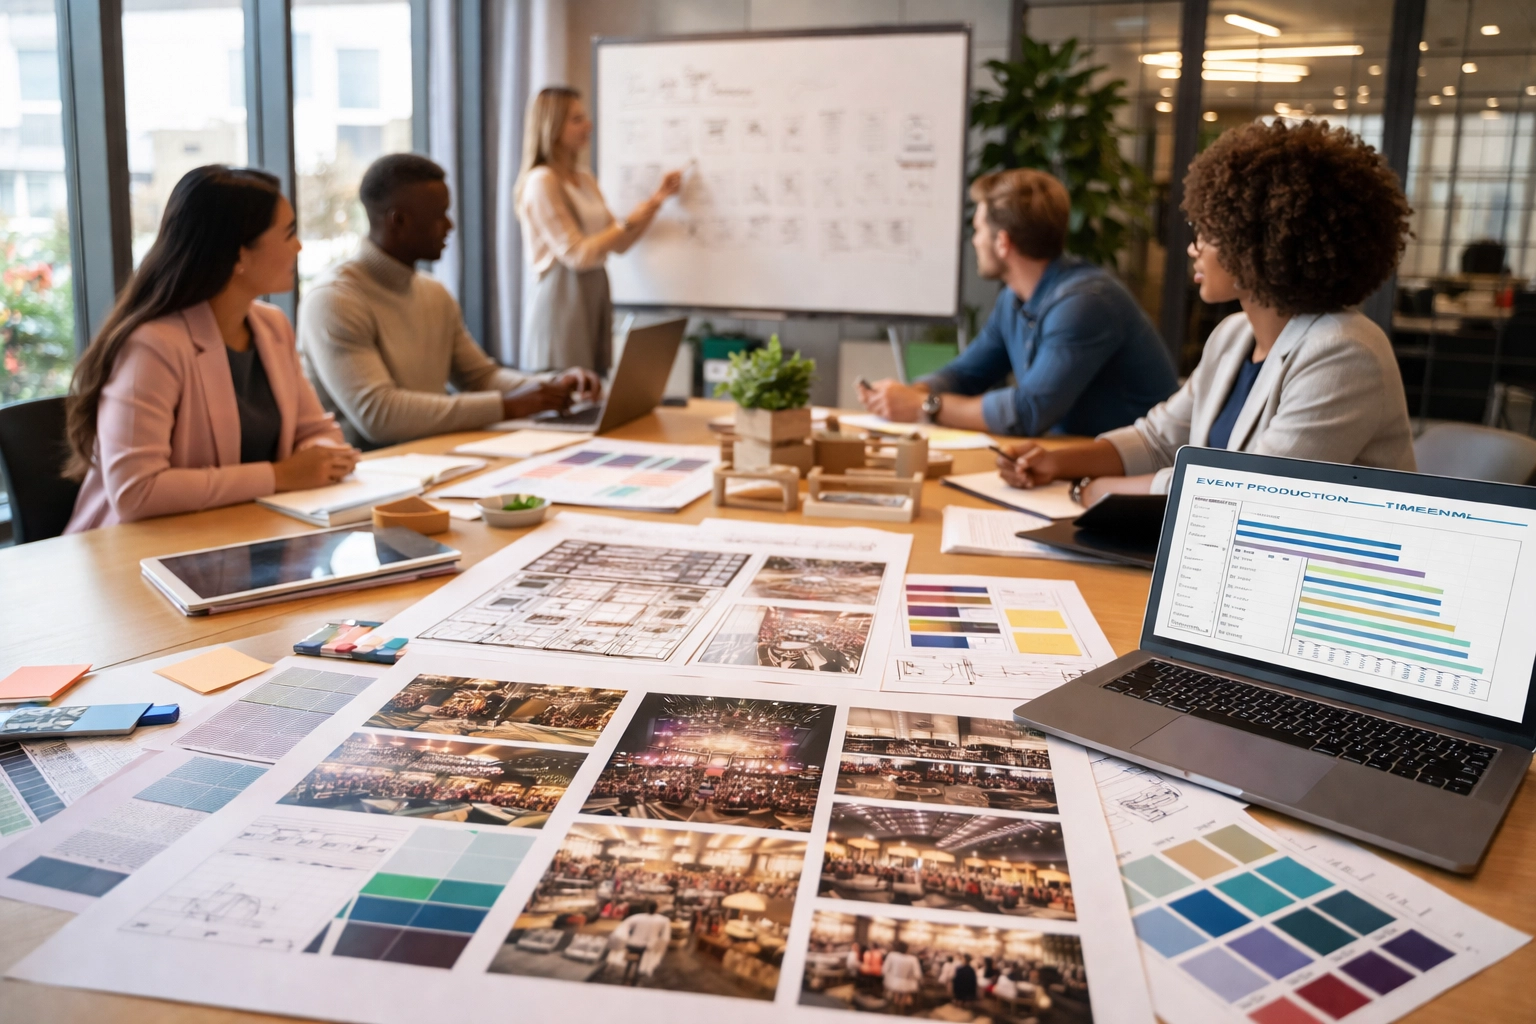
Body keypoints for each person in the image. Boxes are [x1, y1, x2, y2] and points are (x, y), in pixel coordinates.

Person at [995, 119, 1416, 503]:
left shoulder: (1344, 351)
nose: (1193, 248)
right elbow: (1159, 440)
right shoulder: (1234, 335)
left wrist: (1102, 491)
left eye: (1209, 233)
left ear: (1260, 243)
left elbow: (1250, 491)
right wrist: (1055, 462)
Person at [64, 166, 357, 532]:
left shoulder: (271, 325)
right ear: (238, 256)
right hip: (132, 553)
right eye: (288, 234)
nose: (299, 246)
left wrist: (315, 456)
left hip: (239, 535)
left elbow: (317, 430)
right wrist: (279, 476)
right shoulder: (152, 346)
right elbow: (136, 491)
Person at [299, 153, 600, 448]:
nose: (449, 226)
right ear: (399, 221)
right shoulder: (333, 300)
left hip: (434, 459)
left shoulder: (433, 292)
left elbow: (482, 378)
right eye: (439, 215)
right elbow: (379, 415)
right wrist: (506, 406)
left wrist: (553, 386)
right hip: (370, 475)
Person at [858, 167, 1176, 437]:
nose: (974, 240)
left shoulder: (1084, 304)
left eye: (978, 229)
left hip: (1131, 484)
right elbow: (967, 374)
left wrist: (925, 406)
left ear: (1002, 242)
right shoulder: (1015, 298)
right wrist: (913, 394)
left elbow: (1028, 411)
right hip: (1067, 464)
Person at [515, 85, 681, 372]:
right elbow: (577, 255)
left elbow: (618, 243)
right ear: (552, 126)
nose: (588, 126)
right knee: (567, 390)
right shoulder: (541, 181)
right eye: (577, 119)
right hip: (562, 298)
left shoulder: (584, 178)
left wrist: (656, 201)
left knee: (593, 385)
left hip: (594, 288)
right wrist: (628, 222)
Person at [882, 940, 922, 1010]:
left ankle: (894, 1008)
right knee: (904, 997)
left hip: (893, 982)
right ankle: (901, 1010)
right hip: (907, 983)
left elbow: (885, 969)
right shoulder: (912, 959)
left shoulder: (892, 955)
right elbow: (917, 974)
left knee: (896, 996)